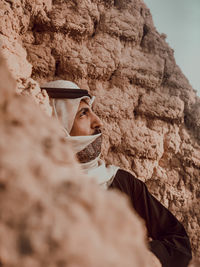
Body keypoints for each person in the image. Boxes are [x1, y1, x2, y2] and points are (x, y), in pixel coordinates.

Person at [41, 80, 192, 267]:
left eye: (91, 111)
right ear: (58, 125)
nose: (98, 122)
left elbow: (179, 243)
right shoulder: (37, 189)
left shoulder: (122, 182)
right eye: (83, 114)